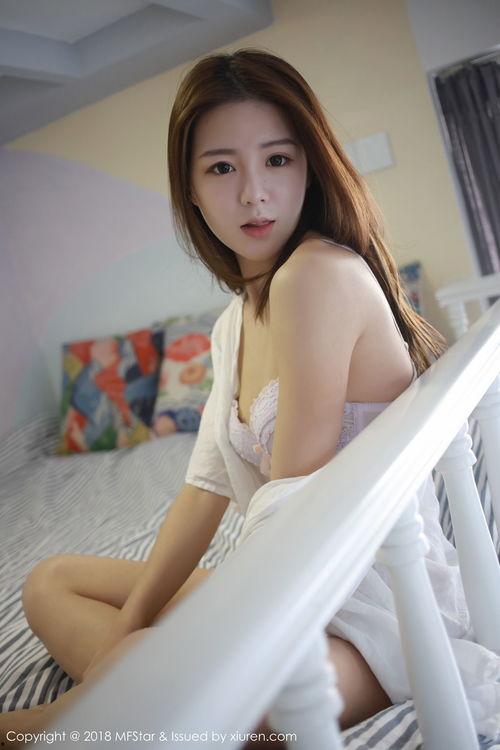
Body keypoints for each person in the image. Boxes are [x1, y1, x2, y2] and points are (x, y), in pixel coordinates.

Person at [1, 48, 499, 748]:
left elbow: (294, 511)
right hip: (287, 584)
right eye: (222, 168)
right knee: (50, 583)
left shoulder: (317, 276)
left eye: (277, 159)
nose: (254, 194)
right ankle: (128, 707)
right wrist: (126, 633)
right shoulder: (234, 323)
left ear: (309, 166)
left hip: (373, 614)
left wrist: (143, 650)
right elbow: (203, 488)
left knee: (144, 670)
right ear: (191, 189)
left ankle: (35, 730)